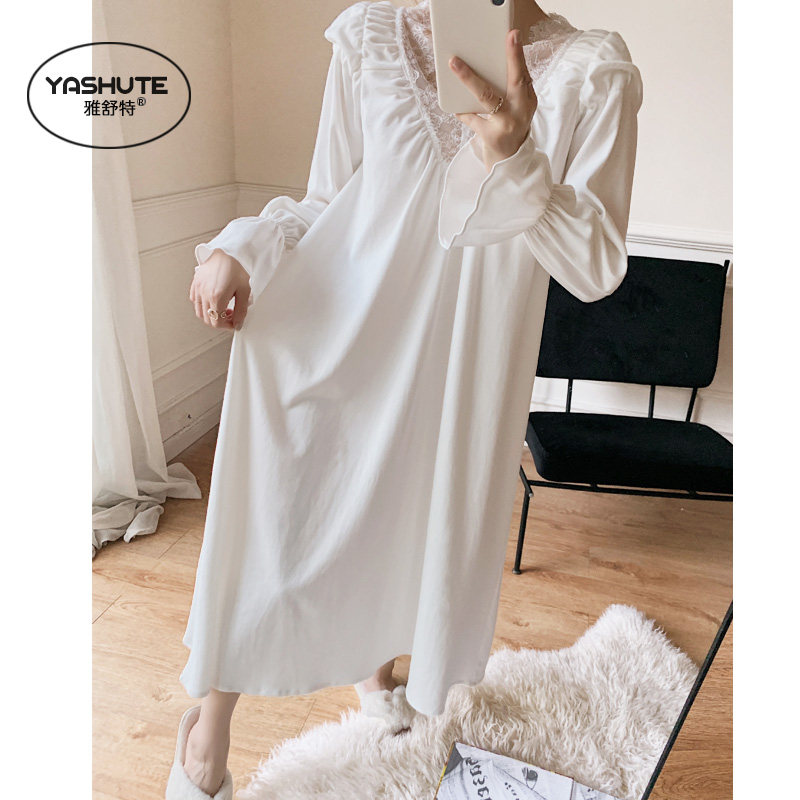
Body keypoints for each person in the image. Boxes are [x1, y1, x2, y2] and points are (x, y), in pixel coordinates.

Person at [170, 0, 643, 796]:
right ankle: (209, 722)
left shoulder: (594, 70)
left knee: (411, 521)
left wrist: (515, 157)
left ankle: (376, 673)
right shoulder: (371, 34)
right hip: (336, 331)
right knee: (281, 520)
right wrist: (242, 248)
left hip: (458, 366)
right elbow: (328, 199)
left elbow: (595, 265)